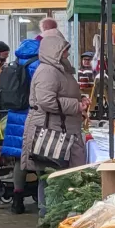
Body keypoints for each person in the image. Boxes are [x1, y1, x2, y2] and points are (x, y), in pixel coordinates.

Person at [21, 29, 88, 186]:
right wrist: (76, 105)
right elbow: (46, 100)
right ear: (55, 49)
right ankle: (48, 210)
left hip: (59, 129)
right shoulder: (48, 71)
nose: (67, 52)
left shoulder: (60, 69)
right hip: (51, 131)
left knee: (54, 176)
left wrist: (81, 99)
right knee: (51, 177)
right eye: (64, 48)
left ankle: (49, 209)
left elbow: (62, 93)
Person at [0, 35, 41, 211]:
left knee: (19, 160)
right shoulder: (37, 65)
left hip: (15, 114)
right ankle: (44, 199)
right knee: (40, 158)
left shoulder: (15, 63)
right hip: (32, 114)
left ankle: (17, 200)